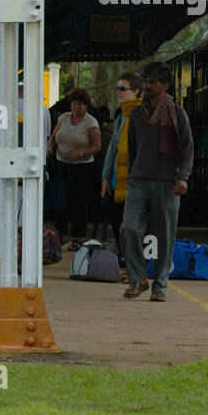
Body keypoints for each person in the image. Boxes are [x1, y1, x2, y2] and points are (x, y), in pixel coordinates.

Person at [119, 61, 193, 302]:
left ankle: (159, 286)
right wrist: (132, 175)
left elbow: (187, 149)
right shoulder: (138, 115)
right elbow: (131, 146)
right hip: (139, 180)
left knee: (164, 235)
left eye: (152, 82)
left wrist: (182, 177)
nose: (148, 86)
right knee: (129, 228)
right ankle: (138, 278)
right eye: (146, 82)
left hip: (167, 183)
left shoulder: (177, 114)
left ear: (165, 85)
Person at [100, 72, 142, 276]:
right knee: (116, 219)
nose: (119, 92)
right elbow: (112, 148)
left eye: (123, 89)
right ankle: (126, 257)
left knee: (132, 224)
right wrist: (105, 177)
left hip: (135, 179)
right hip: (117, 179)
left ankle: (134, 263)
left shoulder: (143, 114)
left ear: (136, 91)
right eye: (117, 88)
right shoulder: (122, 115)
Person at [48, 87, 101, 248]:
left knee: (79, 202)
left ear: (86, 106)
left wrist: (80, 154)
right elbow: (53, 137)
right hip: (61, 164)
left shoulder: (91, 122)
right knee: (60, 199)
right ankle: (60, 234)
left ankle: (78, 238)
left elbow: (96, 146)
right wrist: (50, 146)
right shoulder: (63, 118)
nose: (77, 107)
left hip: (82, 167)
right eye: (74, 103)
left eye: (80, 104)